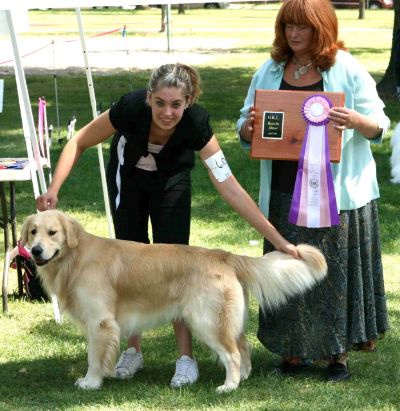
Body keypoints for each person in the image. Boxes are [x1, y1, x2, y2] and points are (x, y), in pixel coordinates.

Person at [36, 63, 299, 388]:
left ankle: (185, 358)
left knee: (179, 266)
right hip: (128, 178)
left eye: (176, 104)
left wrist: (277, 239)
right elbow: (79, 141)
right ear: (149, 98)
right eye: (160, 103)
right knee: (128, 266)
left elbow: (229, 185)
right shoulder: (131, 107)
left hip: (171, 180)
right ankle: (132, 351)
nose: (167, 112)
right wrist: (53, 189)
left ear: (188, 102)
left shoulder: (197, 124)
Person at [237, 0, 390, 382]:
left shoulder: (346, 68)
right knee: (286, 269)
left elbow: (380, 124)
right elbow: (245, 123)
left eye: (302, 27)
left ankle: (335, 353)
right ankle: (292, 351)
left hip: (338, 196)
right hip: (283, 193)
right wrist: (247, 128)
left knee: (331, 275)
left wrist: (356, 120)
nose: (293, 34)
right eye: (288, 26)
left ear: (322, 27)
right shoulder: (270, 70)